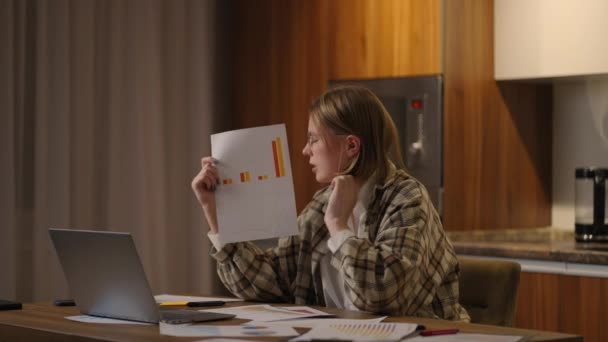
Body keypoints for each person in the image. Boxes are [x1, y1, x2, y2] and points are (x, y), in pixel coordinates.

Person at [192, 86, 470, 321]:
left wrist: (338, 227)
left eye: (313, 139)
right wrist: (215, 211)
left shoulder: (407, 199)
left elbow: (384, 296)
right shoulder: (321, 204)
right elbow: (271, 281)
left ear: (351, 146)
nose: (305, 151)